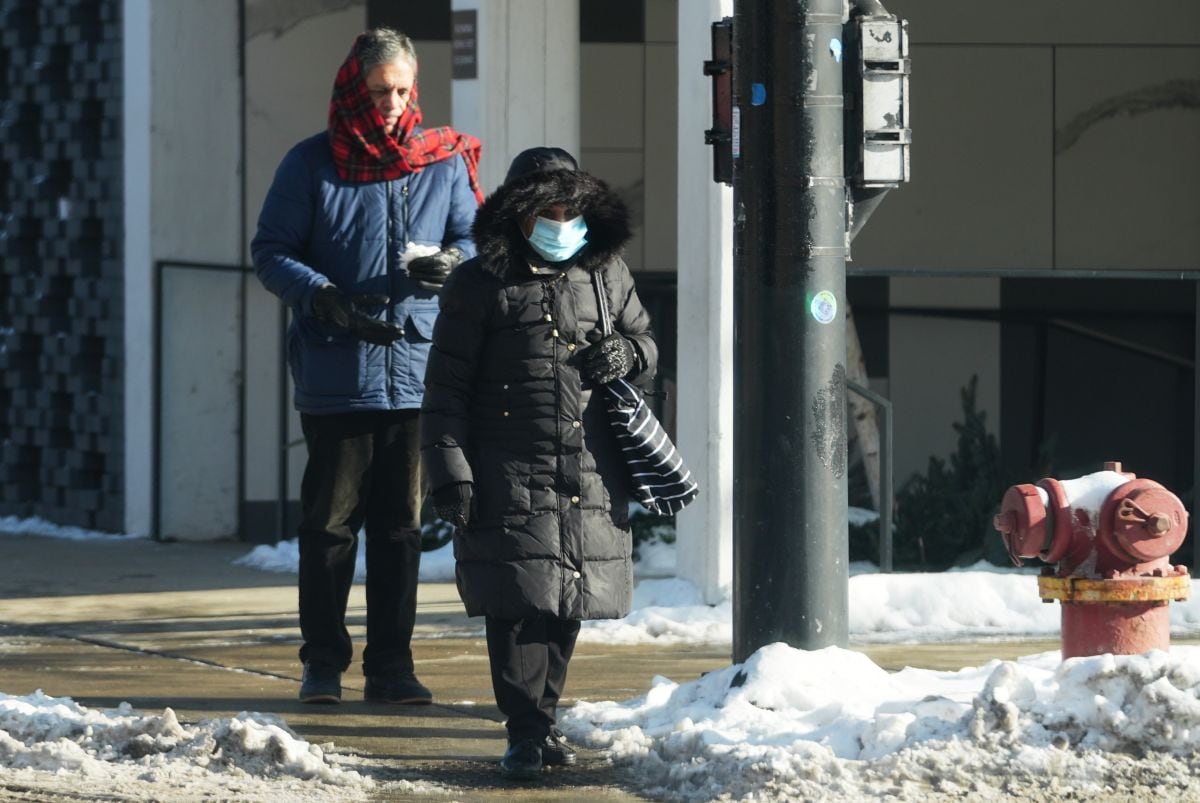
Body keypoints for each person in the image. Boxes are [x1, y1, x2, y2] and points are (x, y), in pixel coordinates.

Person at [251, 27, 482, 706]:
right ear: (355, 88)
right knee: (328, 527)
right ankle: (322, 662)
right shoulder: (310, 164)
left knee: (400, 529)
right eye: (381, 90)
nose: (393, 102)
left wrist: (455, 261)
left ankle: (392, 666)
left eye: (404, 89)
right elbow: (271, 250)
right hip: (336, 371)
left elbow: (472, 233)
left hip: (415, 370)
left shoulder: (440, 163)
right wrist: (322, 295)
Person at [420, 147, 658, 778]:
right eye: (547, 212)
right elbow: (445, 388)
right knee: (519, 601)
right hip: (509, 470)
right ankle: (525, 729)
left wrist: (627, 355)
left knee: (567, 603)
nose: (561, 223)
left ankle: (543, 720)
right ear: (520, 215)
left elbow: (647, 343)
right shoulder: (479, 285)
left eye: (570, 211)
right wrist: (450, 471)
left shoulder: (607, 275)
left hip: (589, 467)